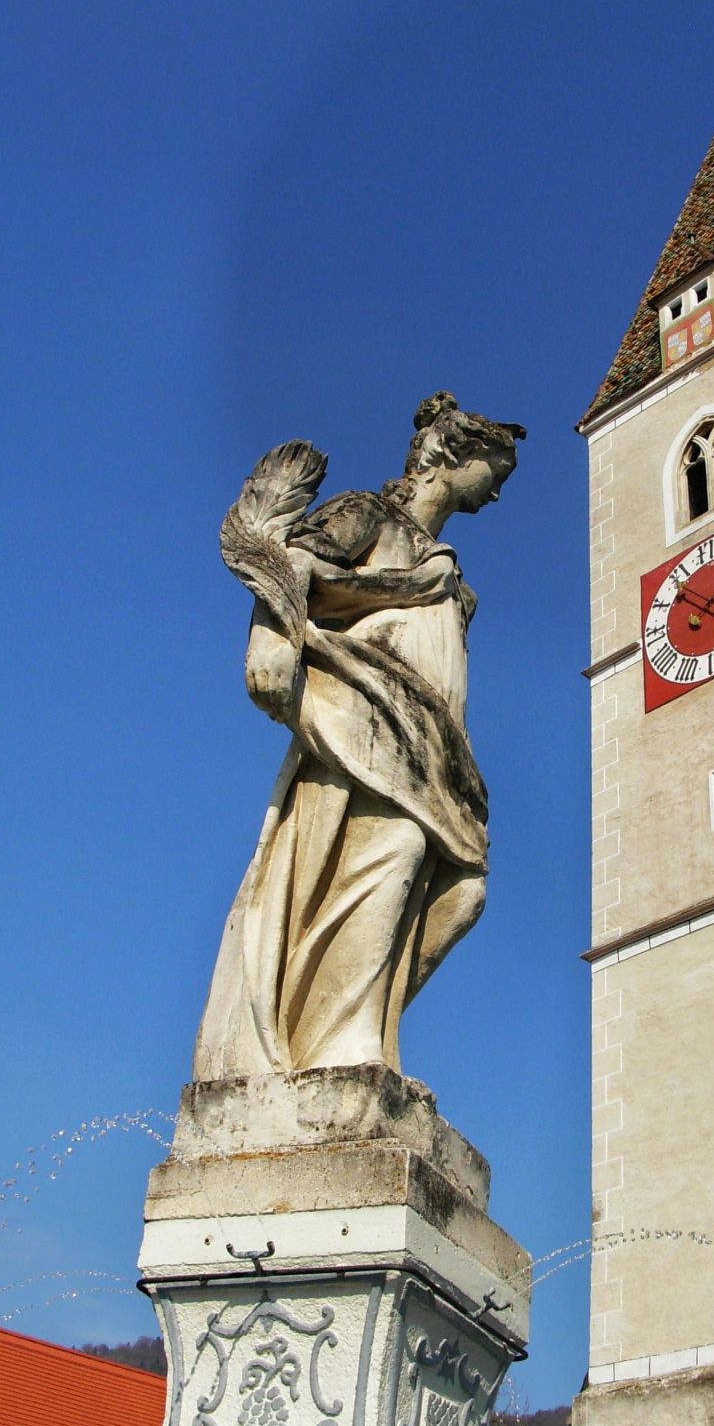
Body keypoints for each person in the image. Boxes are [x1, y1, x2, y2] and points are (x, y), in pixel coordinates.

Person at [193, 392, 524, 1080]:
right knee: (393, 851)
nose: (498, 494)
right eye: (496, 471)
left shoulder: (453, 580)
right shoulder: (370, 516)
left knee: (461, 894)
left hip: (432, 743)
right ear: (451, 455)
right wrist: (274, 644)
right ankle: (340, 1054)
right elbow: (296, 571)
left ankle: (359, 1029)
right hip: (359, 715)